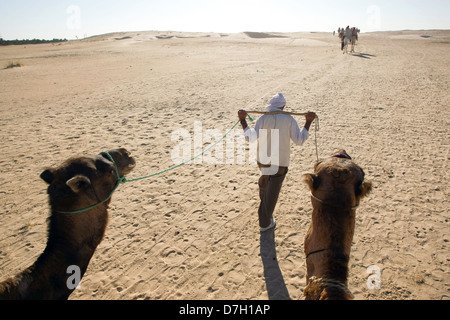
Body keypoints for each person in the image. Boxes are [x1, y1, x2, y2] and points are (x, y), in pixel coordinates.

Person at [238, 93, 316, 232]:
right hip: (280, 162)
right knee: (272, 191)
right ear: (283, 106)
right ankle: (265, 223)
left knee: (266, 184)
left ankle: (266, 213)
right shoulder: (289, 119)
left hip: (263, 160)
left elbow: (250, 138)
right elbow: (299, 140)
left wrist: (242, 120)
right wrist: (308, 122)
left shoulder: (263, 118)